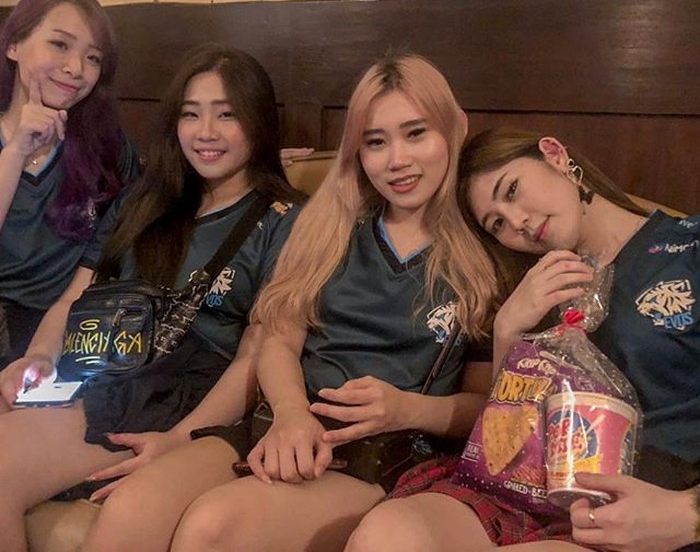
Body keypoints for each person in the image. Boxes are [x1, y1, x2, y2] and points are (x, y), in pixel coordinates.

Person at [76, 54, 499, 552]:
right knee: (133, 506)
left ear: (454, 128)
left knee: (213, 528)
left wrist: (408, 408)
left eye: (416, 134)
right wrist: (291, 413)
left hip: (386, 453)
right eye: (376, 142)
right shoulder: (331, 225)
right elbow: (278, 339)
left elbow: (486, 406)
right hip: (280, 423)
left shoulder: (488, 251)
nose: (397, 160)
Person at [0, 42, 304, 552]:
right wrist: (39, 358)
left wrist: (182, 439)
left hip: (183, 393)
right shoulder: (144, 199)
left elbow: (258, 352)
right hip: (105, 371)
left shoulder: (285, 219)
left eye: (227, 114)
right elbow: (77, 296)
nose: (205, 132)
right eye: (191, 114)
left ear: (258, 122)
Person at [345, 127, 699, 552]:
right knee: (386, 535)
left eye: (512, 190)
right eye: (497, 223)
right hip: (527, 490)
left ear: (554, 154)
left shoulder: (687, 249)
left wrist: (688, 515)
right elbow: (505, 446)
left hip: (647, 500)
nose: (518, 223)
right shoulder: (523, 287)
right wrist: (508, 331)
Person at [0, 0, 140, 362]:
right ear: (13, 45)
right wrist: (16, 152)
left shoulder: (106, 146)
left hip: (69, 327)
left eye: (93, 58)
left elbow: (106, 252)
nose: (76, 69)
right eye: (60, 44)